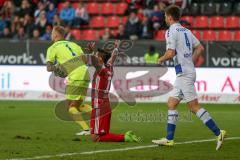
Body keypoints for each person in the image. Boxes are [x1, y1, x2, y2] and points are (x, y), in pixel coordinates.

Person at [152, 5, 226, 150]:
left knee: (193, 107)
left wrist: (160, 59)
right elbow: (200, 48)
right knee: (172, 103)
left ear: (170, 17)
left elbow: (171, 53)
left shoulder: (171, 31)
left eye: (166, 16)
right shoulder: (186, 30)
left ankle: (219, 132)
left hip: (184, 74)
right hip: (185, 73)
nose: (165, 19)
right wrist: (190, 62)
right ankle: (169, 139)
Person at [81, 41, 141, 142]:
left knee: (96, 137)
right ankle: (126, 136)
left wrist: (91, 53)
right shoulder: (109, 67)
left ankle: (125, 137)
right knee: (103, 134)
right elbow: (113, 58)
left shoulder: (101, 70)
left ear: (100, 59)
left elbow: (95, 62)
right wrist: (116, 49)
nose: (95, 57)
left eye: (97, 56)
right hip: (105, 104)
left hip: (99, 105)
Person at [46, 26, 92, 136]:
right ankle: (98, 118)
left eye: (52, 33)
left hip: (75, 76)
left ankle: (87, 129)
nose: (51, 35)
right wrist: (89, 51)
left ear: (56, 35)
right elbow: (85, 60)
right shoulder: (74, 45)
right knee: (78, 106)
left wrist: (58, 67)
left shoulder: (52, 48)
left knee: (71, 108)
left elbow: (48, 68)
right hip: (85, 74)